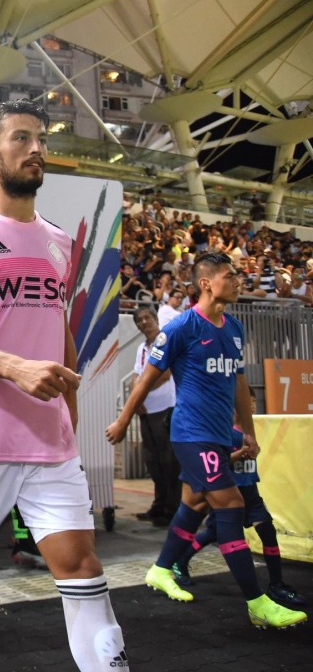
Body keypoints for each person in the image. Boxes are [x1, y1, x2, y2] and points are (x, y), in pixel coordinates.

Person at [0, 100, 127, 672]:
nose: (36, 148)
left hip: (48, 444)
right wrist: (15, 367)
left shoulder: (60, 242)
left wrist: (70, 407)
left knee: (83, 568)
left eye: (40, 139)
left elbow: (59, 329)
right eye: (21, 139)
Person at [106, 252, 306, 630]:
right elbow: (146, 380)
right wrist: (122, 421)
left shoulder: (234, 328)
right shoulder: (182, 328)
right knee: (230, 505)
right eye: (230, 276)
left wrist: (248, 431)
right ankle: (257, 602)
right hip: (191, 434)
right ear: (206, 283)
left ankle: (161, 568)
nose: (238, 281)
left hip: (218, 436)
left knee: (193, 503)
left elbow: (239, 384)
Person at [171, 386, 306, 608]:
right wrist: (240, 454)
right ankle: (181, 560)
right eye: (247, 402)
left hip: (251, 493)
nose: (251, 406)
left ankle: (276, 584)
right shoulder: (225, 433)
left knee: (268, 533)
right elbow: (219, 463)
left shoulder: (249, 432)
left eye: (252, 402)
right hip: (229, 495)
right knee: (212, 532)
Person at [129, 307, 179, 525]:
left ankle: (173, 509)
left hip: (164, 409)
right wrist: (135, 397)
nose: (144, 322)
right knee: (153, 461)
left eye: (147, 318)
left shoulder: (164, 341)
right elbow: (136, 375)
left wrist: (140, 395)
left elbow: (165, 374)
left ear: (156, 319)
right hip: (146, 412)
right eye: (139, 320)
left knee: (169, 461)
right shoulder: (141, 348)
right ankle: (159, 505)